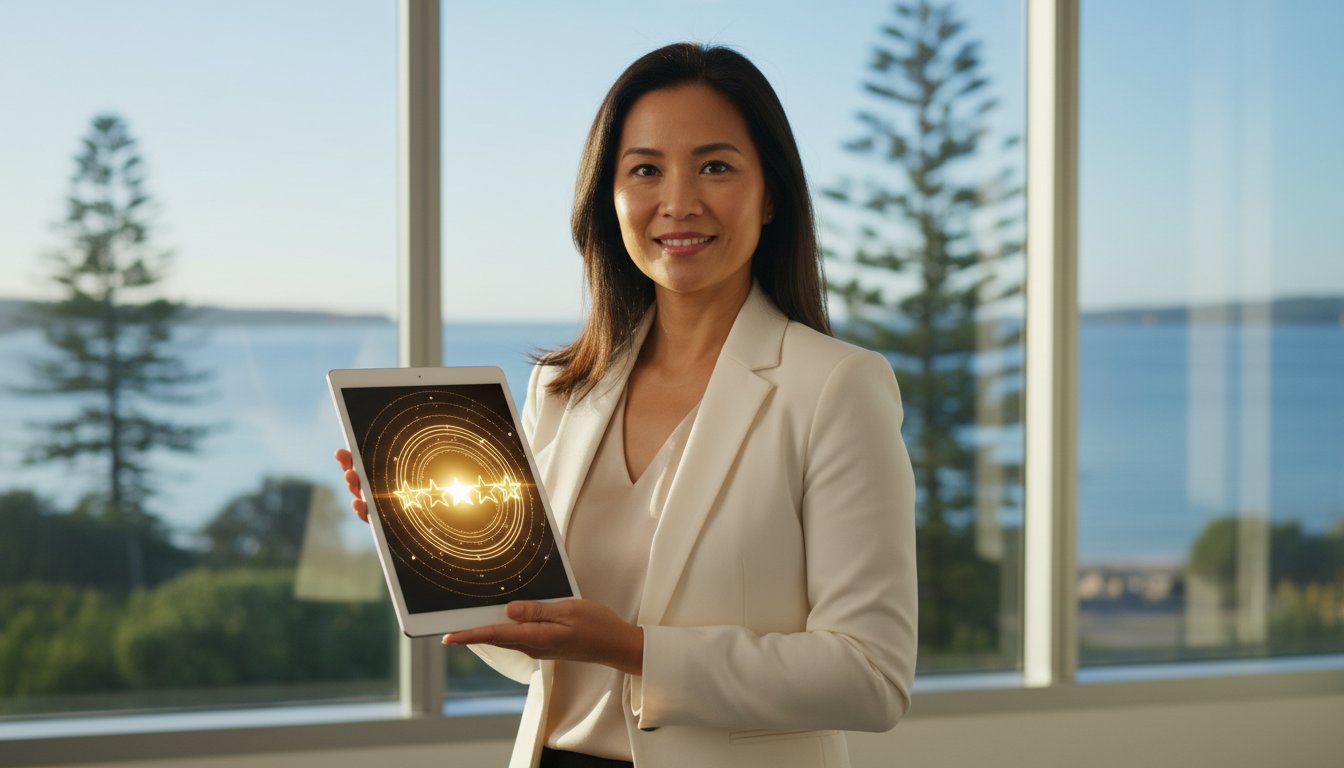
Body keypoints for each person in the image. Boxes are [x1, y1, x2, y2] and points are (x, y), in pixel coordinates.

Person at [336, 42, 916, 768]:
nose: (679, 202)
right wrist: (428, 550)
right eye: (645, 169)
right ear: (608, 198)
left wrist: (633, 651)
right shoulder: (562, 388)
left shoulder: (835, 388)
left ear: (770, 195)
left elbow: (872, 677)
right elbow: (544, 657)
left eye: (715, 166)